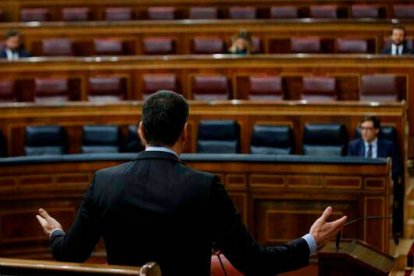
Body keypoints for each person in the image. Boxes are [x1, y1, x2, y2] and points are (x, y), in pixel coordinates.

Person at [36, 90, 346, 276]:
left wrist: (56, 232)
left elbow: (69, 254)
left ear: (141, 130)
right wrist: (310, 241)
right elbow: (253, 263)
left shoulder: (103, 183)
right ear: (186, 132)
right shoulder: (205, 187)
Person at [348, 115, 403, 239]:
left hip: (381, 185)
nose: (365, 132)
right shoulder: (353, 146)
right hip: (359, 186)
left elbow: (396, 169)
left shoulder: (388, 145)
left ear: (376, 130)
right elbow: (350, 168)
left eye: (368, 128)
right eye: (362, 128)